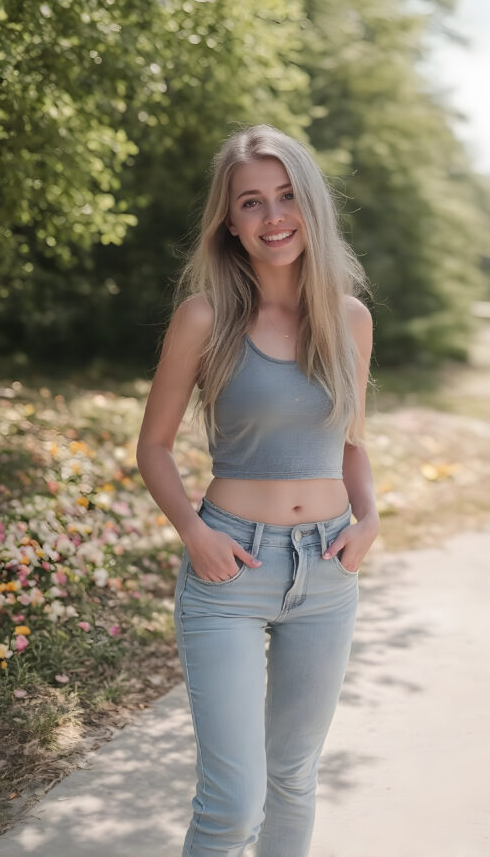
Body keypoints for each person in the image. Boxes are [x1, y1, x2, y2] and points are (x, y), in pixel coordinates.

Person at [136, 123, 380, 857]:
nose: (273, 217)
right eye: (251, 202)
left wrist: (368, 519)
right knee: (232, 804)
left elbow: (352, 440)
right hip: (229, 571)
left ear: (310, 204)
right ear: (230, 222)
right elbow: (153, 446)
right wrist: (195, 532)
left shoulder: (350, 319)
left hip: (329, 571)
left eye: (285, 196)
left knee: (294, 779)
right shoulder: (206, 318)